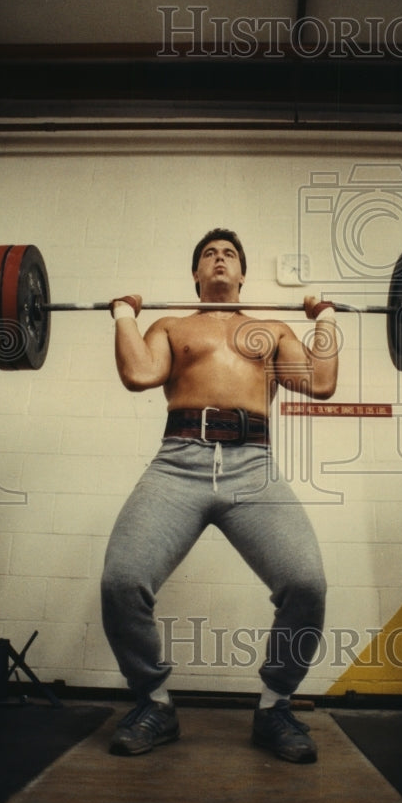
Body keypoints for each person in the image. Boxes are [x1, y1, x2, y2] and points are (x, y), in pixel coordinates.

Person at [100, 227, 339, 764]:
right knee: (121, 581)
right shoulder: (171, 325)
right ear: (196, 274)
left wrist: (323, 319)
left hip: (252, 467)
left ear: (242, 273)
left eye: (229, 254)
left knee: (306, 583)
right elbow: (139, 373)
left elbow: (321, 383)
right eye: (209, 254)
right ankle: (154, 703)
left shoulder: (271, 330)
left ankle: (276, 705)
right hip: (177, 463)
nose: (219, 260)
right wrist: (122, 315)